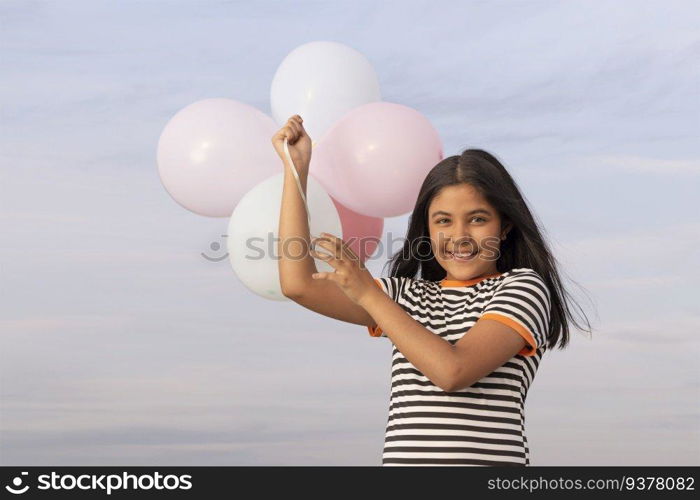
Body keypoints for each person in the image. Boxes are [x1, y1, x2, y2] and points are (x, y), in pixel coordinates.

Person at [272, 115, 593, 466]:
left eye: (478, 218)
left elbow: (452, 372)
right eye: (443, 221)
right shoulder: (402, 297)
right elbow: (298, 284)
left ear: (505, 227)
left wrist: (368, 294)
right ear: (426, 229)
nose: (459, 236)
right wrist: (296, 170)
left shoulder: (523, 288)